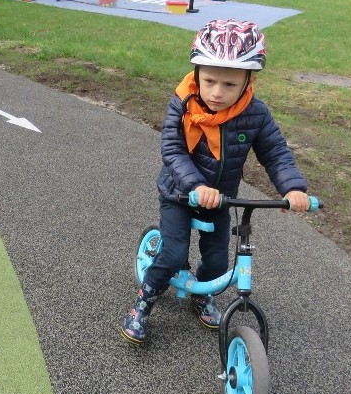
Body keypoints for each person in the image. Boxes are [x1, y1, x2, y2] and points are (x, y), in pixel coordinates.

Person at [121, 19, 310, 344]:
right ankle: (143, 303)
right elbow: (172, 149)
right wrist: (195, 185)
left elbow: (276, 152)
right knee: (172, 252)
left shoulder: (256, 114)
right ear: (196, 74)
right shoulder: (183, 105)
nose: (217, 92)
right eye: (209, 81)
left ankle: (201, 295)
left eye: (229, 85)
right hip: (179, 193)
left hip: (222, 198)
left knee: (218, 261)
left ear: (248, 82)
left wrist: (293, 188)